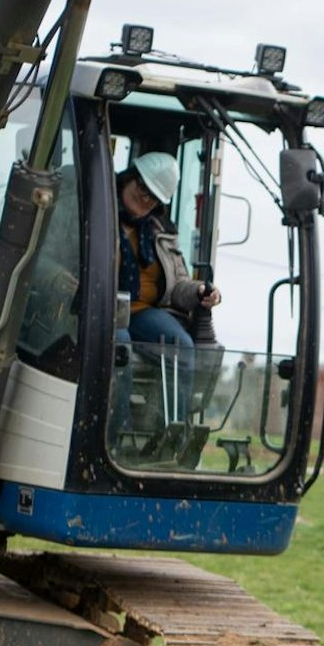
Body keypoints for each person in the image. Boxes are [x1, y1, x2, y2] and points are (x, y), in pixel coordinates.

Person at [114, 152, 220, 437]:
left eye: (153, 197)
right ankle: (114, 433)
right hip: (104, 308)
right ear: (129, 178)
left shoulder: (161, 232)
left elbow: (178, 284)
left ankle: (172, 435)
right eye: (142, 188)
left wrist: (199, 291)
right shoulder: (98, 216)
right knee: (119, 348)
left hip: (142, 312)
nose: (144, 198)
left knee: (181, 346)